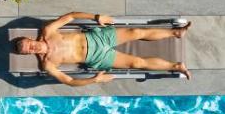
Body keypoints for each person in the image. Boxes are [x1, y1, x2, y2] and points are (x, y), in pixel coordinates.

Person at [12, 11, 189, 88]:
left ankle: (176, 32)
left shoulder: (48, 31)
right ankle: (176, 67)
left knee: (136, 32)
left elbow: (71, 16)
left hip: (97, 37)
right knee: (137, 63)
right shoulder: (47, 64)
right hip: (97, 57)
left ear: (30, 38)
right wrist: (95, 80)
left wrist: (97, 17)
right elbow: (69, 81)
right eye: (29, 51)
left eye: (29, 44)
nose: (32, 48)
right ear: (28, 54)